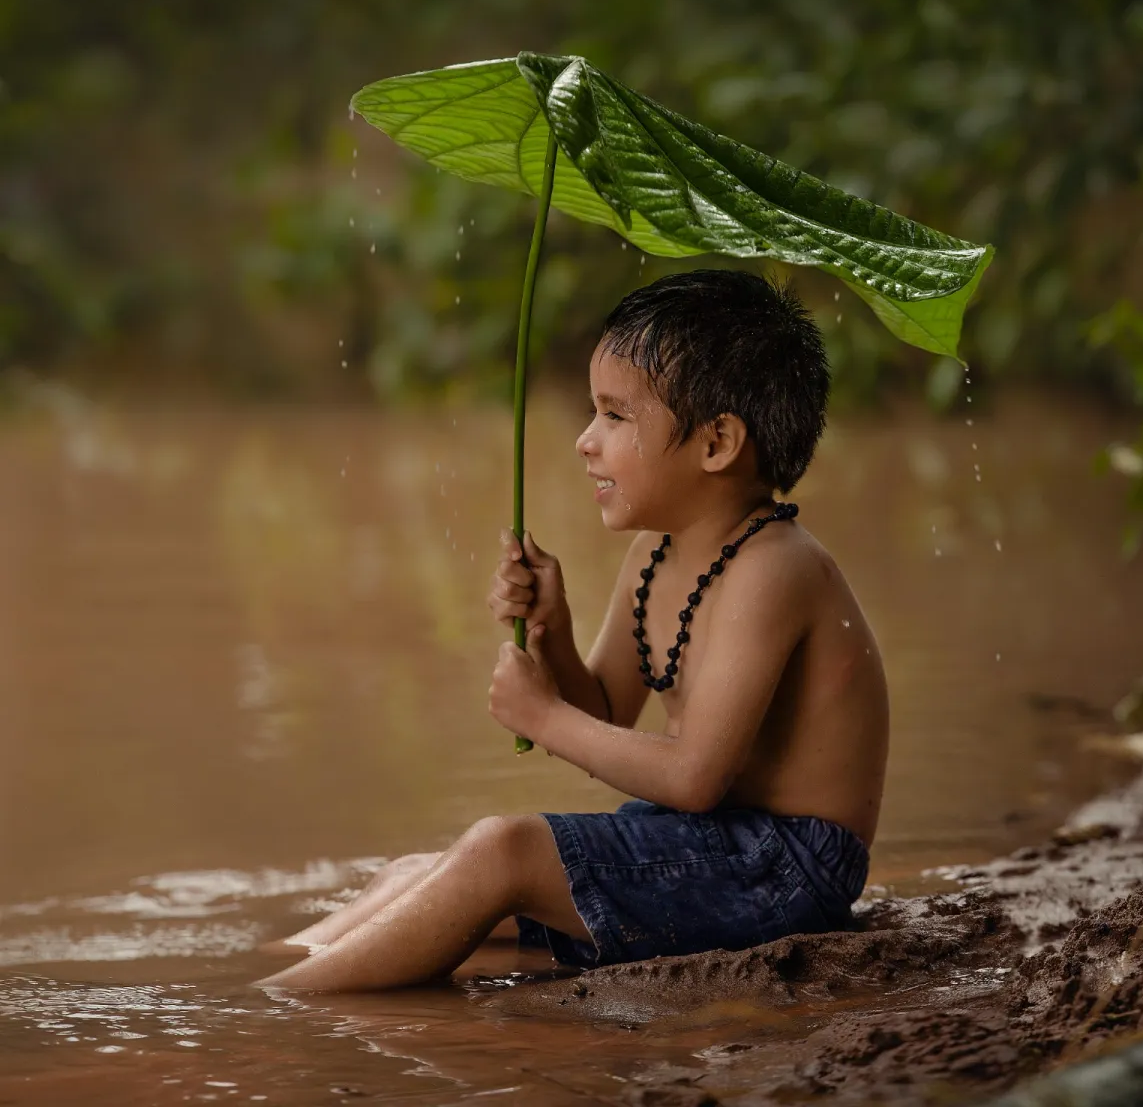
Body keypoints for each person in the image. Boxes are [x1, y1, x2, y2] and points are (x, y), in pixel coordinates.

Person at [257, 268, 889, 993]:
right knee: (422, 877)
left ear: (717, 443)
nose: (585, 442)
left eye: (615, 417)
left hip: (784, 868)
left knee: (503, 851)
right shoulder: (655, 552)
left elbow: (693, 778)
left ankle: (270, 1013)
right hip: (712, 843)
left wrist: (544, 718)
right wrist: (553, 631)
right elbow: (610, 713)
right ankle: (274, 968)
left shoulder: (775, 567)